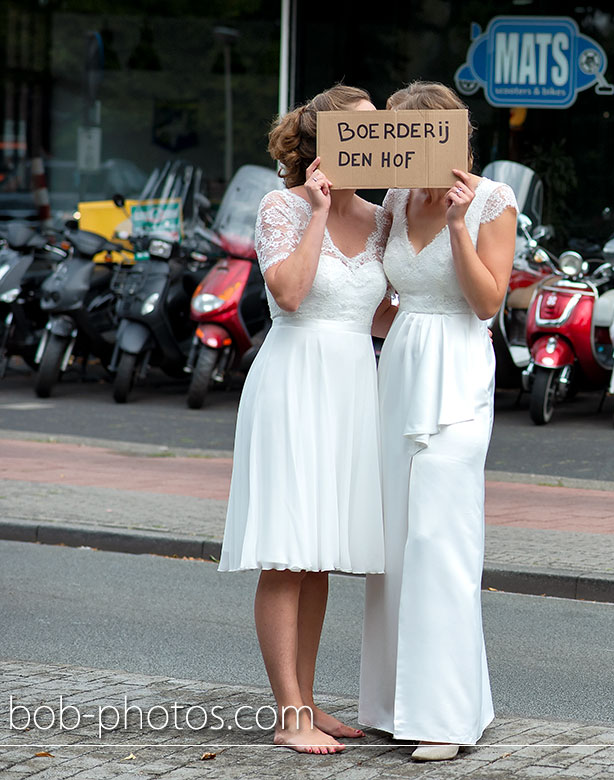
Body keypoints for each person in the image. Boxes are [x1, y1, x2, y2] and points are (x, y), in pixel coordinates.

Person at [218, 84, 390, 755]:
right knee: (287, 552)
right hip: (293, 384)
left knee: (319, 558)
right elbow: (288, 295)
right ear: (324, 142)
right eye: (363, 132)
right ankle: (289, 714)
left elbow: (372, 310)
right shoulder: (281, 206)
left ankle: (310, 700)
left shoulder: (381, 218)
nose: (376, 143)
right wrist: (320, 211)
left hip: (353, 387)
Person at [359, 81, 517, 762]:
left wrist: (457, 226)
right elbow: (380, 293)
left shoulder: (491, 200)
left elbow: (487, 303)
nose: (391, 146)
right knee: (394, 542)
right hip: (401, 368)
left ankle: (448, 717)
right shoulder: (395, 200)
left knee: (440, 541)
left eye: (403, 133)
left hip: (458, 373)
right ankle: (397, 705)